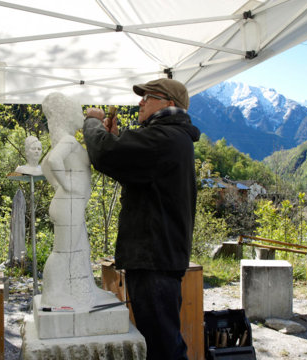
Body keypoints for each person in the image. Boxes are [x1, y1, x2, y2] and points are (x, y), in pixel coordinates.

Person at [83, 78, 200, 360]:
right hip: (157, 259)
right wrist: (115, 138)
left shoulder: (165, 139)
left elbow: (105, 154)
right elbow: (126, 159)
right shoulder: (171, 138)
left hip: (154, 261)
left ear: (169, 104)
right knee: (161, 342)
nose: (141, 102)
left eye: (148, 97)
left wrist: (93, 123)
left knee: (163, 348)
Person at [40, 92, 110, 309]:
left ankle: (84, 287)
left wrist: (60, 186)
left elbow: (44, 165)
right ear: (68, 115)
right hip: (68, 205)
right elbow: (52, 160)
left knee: (80, 250)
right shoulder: (69, 141)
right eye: (77, 111)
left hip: (71, 205)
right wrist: (66, 186)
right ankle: (53, 295)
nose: (81, 114)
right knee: (64, 252)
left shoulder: (67, 141)